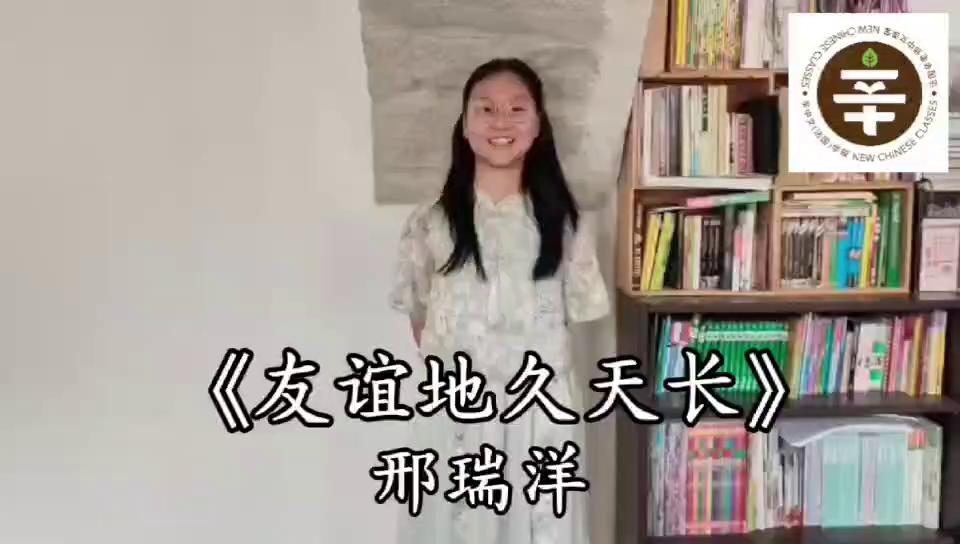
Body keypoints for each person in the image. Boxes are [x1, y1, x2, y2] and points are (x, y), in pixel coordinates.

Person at [388, 57, 610, 544]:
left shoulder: (566, 226)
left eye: (517, 108)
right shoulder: (429, 223)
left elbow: (578, 317)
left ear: (538, 125)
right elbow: (422, 324)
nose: (500, 121)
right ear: (465, 125)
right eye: (485, 108)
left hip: (539, 419)